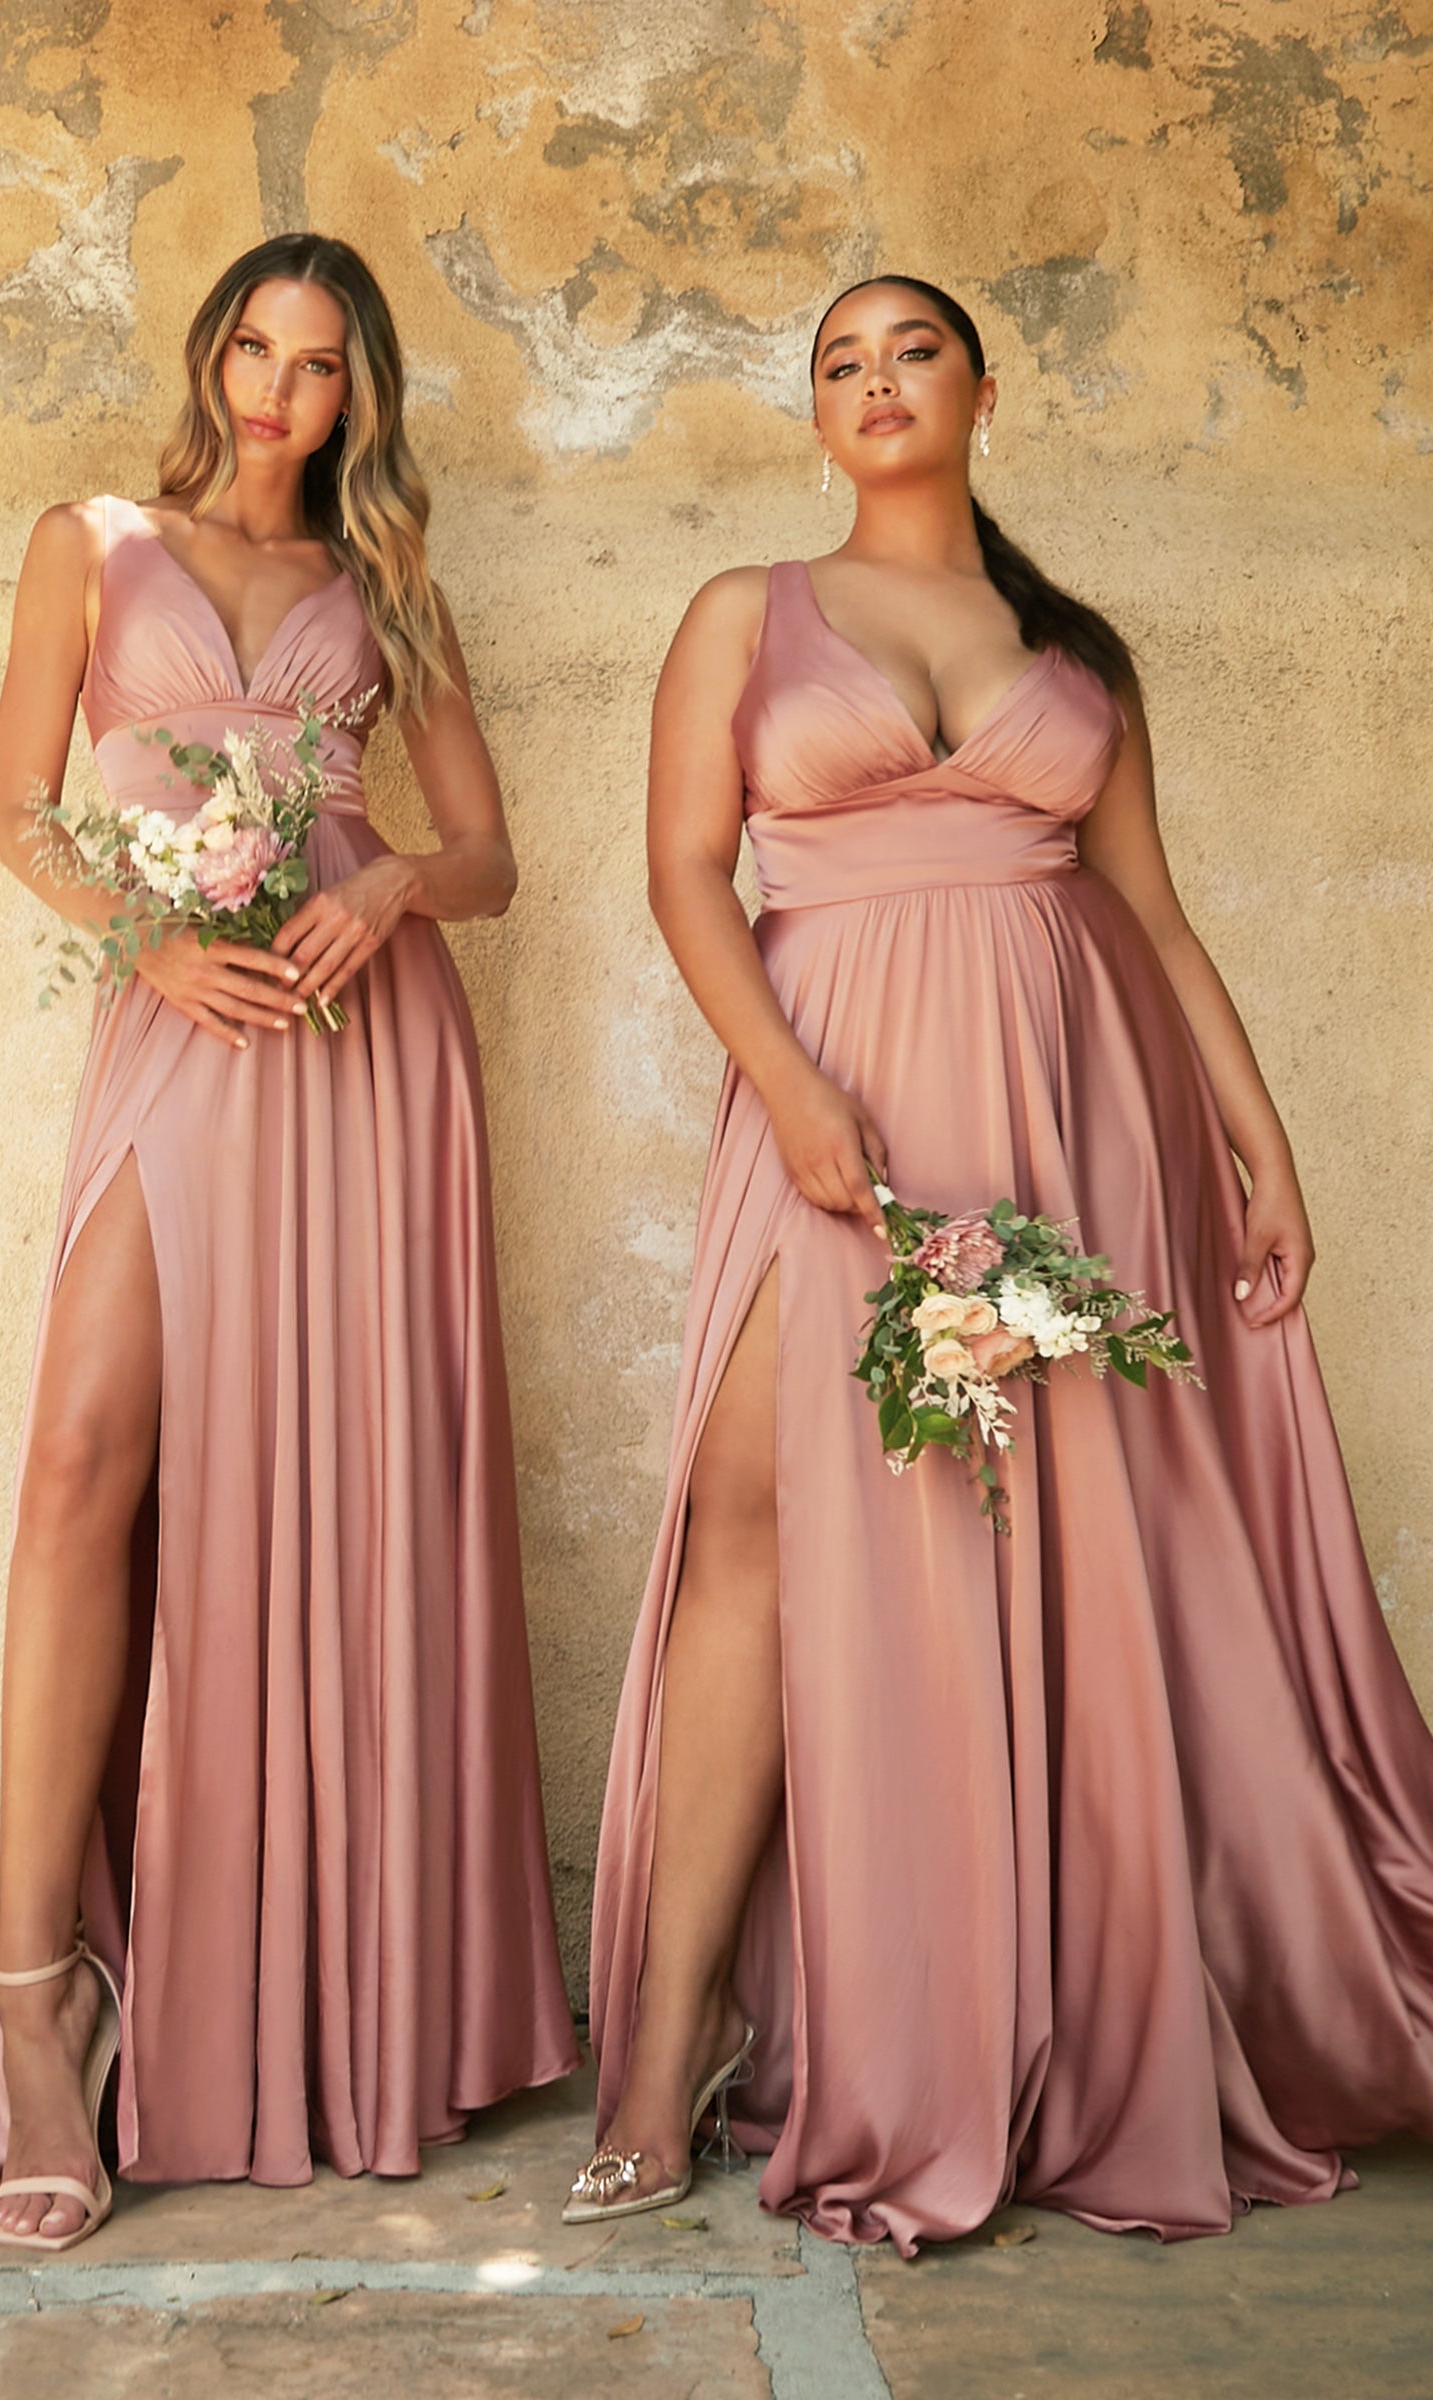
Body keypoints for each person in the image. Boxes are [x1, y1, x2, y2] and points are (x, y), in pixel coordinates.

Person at [572, 274, 1433, 2249]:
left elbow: (1148, 911)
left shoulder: (1071, 651)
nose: (872, 381)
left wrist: (1255, 1147)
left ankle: (1012, 2020)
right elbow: (678, 874)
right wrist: (782, 1088)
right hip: (833, 1091)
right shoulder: (743, 613)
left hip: (1063, 1107)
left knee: (1025, 1534)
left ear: (979, 387)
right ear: (814, 414)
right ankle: (667, 2039)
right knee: (753, 1516)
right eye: (837, 361)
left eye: (910, 351)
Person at [0, 232, 576, 2251]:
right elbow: (24, 816)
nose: (276, 392)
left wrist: (392, 878)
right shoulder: (93, 535)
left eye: (320, 367)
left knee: (324, 1509)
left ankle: (323, 1999)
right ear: (210, 349)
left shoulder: (380, 584)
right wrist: (148, 935)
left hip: (357, 1059)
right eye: (252, 347)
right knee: (79, 1471)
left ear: (359, 397)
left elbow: (487, 852)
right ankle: (38, 2007)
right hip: (178, 1020)